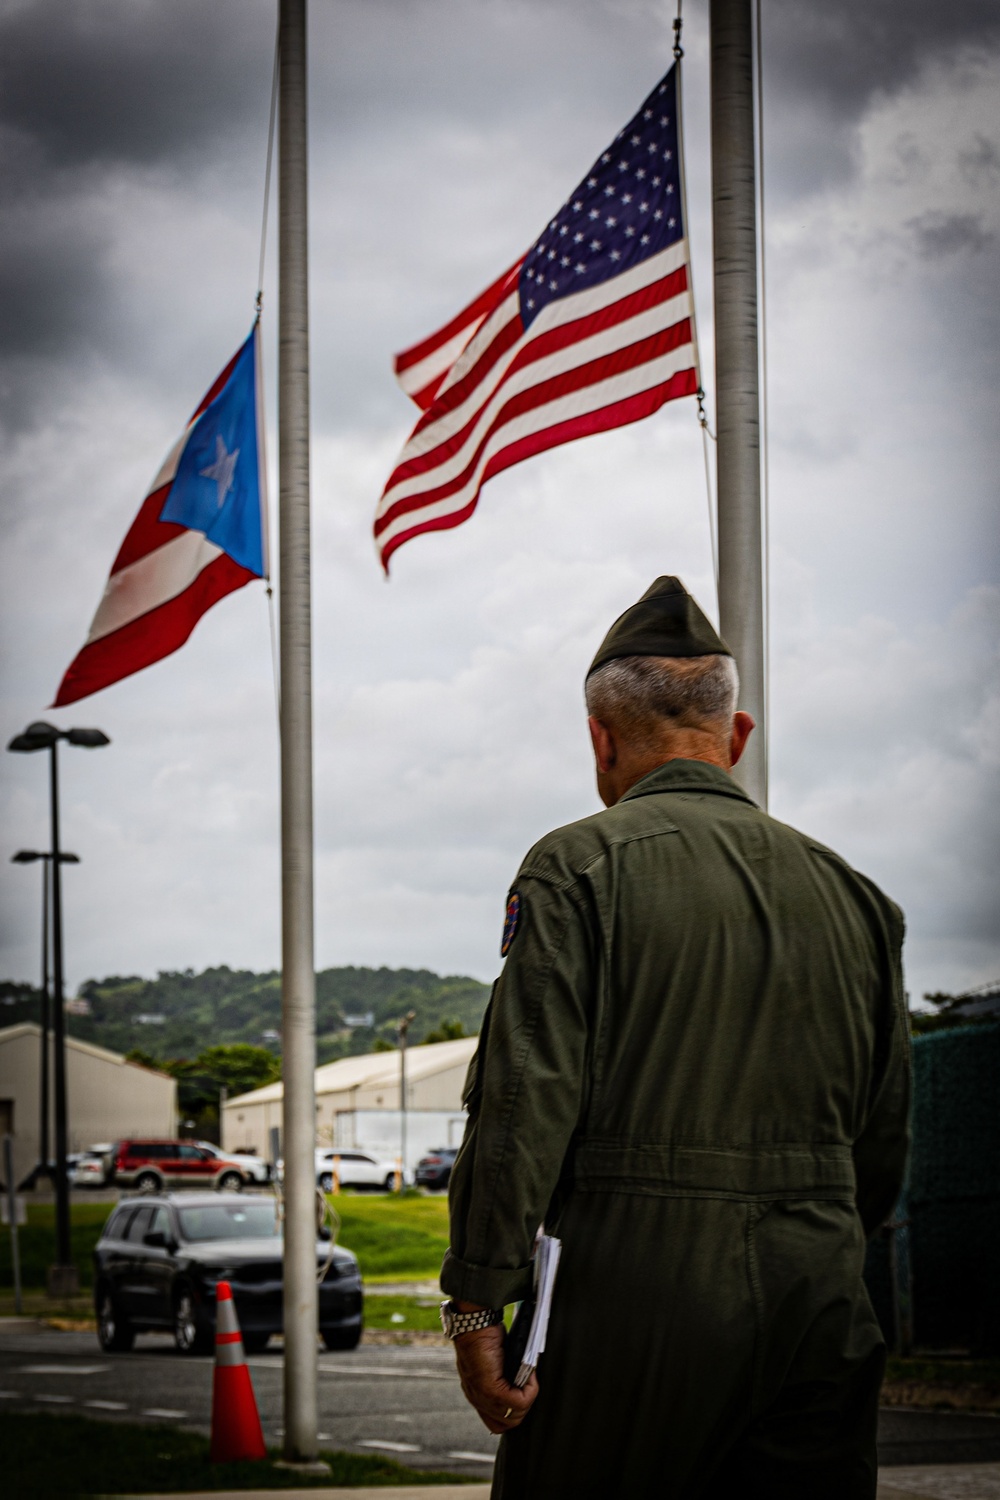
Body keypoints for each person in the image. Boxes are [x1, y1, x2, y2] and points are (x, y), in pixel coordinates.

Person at [438, 577, 910, 1499]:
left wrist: (475, 1304)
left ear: (600, 739)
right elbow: (884, 1139)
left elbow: (524, 1099)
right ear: (737, 740)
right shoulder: (859, 897)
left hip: (636, 1293)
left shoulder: (577, 867)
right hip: (821, 1289)